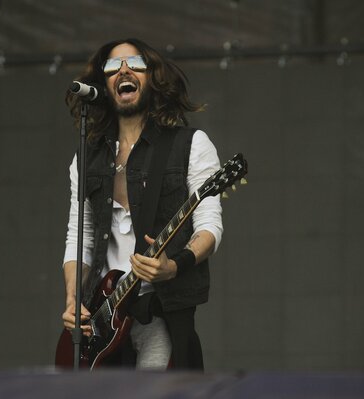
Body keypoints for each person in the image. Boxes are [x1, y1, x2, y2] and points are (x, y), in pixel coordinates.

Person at [61, 38, 223, 370]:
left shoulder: (190, 145)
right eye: (113, 66)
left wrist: (173, 266)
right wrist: (73, 300)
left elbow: (210, 227)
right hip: (103, 317)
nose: (123, 70)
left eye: (134, 64)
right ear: (103, 85)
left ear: (152, 78)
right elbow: (80, 236)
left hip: (159, 309)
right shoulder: (86, 158)